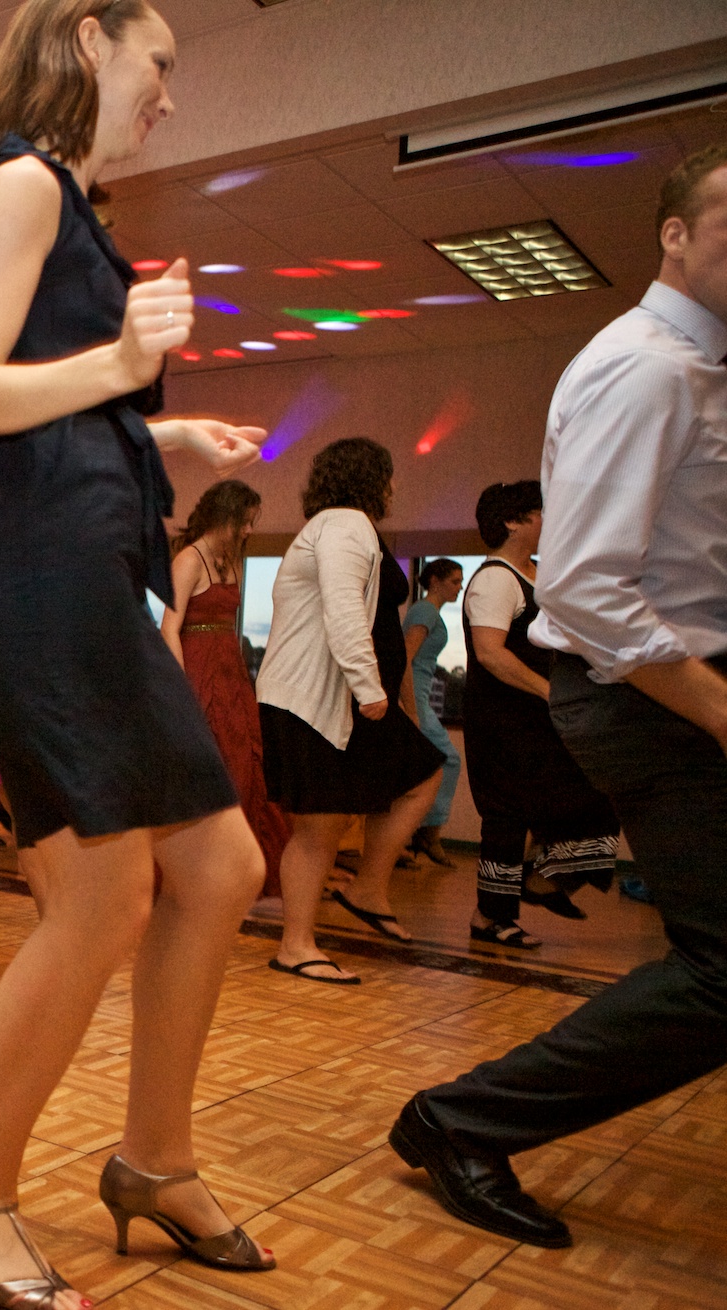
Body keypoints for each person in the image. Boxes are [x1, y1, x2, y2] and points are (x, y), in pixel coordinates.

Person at [0, 4, 275, 1305]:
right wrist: (125, 360)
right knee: (102, 897)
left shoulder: (76, 210)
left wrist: (163, 432)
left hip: (92, 581)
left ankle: (152, 1158)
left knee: (221, 863)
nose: (168, 94)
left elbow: (55, 404)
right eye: (158, 61)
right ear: (87, 38)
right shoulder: (21, 180)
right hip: (36, 585)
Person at [393, 141, 727, 1252]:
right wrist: (716, 706)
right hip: (641, 693)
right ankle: (461, 1118)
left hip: (644, 683)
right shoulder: (649, 366)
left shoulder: (694, 369)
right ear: (675, 233)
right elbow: (577, 595)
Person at [256, 438, 445, 983]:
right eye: (389, 475)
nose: (395, 486)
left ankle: (367, 890)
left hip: (338, 701)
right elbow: (343, 611)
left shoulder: (343, 526)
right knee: (318, 829)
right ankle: (295, 946)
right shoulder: (344, 525)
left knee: (420, 775)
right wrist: (369, 689)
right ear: (370, 479)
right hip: (313, 700)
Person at [459, 481, 620, 949]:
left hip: (537, 720)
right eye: (541, 512)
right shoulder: (495, 579)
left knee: (591, 793)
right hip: (502, 722)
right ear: (513, 521)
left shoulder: (536, 574)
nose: (551, 519)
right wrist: (549, 691)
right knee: (506, 816)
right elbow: (490, 653)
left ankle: (540, 879)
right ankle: (491, 916)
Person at [160, 479, 289, 900]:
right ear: (224, 516)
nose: (249, 530)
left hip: (230, 669)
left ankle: (235, 869)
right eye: (244, 521)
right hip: (198, 669)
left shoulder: (232, 561)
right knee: (209, 763)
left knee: (243, 764)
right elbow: (169, 629)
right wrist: (182, 692)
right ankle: (196, 869)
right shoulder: (189, 559)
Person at [402, 558, 464, 867]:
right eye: (455, 581)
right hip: (414, 696)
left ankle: (419, 834)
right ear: (435, 581)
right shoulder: (425, 611)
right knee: (448, 758)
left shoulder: (429, 612)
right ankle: (427, 834)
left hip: (420, 694)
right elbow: (405, 657)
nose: (460, 588)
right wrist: (411, 708)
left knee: (420, 768)